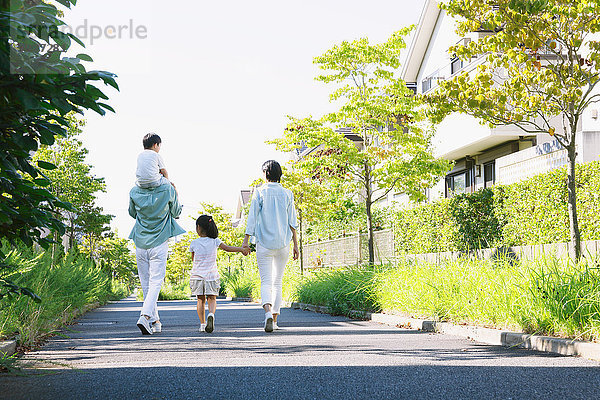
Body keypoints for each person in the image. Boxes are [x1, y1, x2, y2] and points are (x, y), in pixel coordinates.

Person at [242, 160, 299, 332]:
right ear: (279, 174)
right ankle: (274, 320)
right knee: (277, 282)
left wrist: (246, 241)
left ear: (265, 174)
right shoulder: (288, 194)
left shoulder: (259, 192)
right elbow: (292, 222)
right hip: (283, 243)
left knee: (266, 281)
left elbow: (252, 218)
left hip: (264, 243)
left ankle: (267, 313)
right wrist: (296, 245)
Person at [128, 179, 185, 335]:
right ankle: (145, 316)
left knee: (146, 284)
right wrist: (175, 192)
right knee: (155, 282)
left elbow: (132, 213)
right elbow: (176, 213)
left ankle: (155, 321)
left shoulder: (134, 191)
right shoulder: (167, 189)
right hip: (159, 242)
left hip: (140, 241)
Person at [190, 215, 249, 333]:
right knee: (212, 298)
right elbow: (227, 248)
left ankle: (202, 324)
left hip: (197, 276)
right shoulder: (215, 241)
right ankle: (211, 314)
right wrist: (241, 249)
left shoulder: (194, 243)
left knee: (200, 300)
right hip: (211, 275)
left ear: (198, 227)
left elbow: (193, 259)